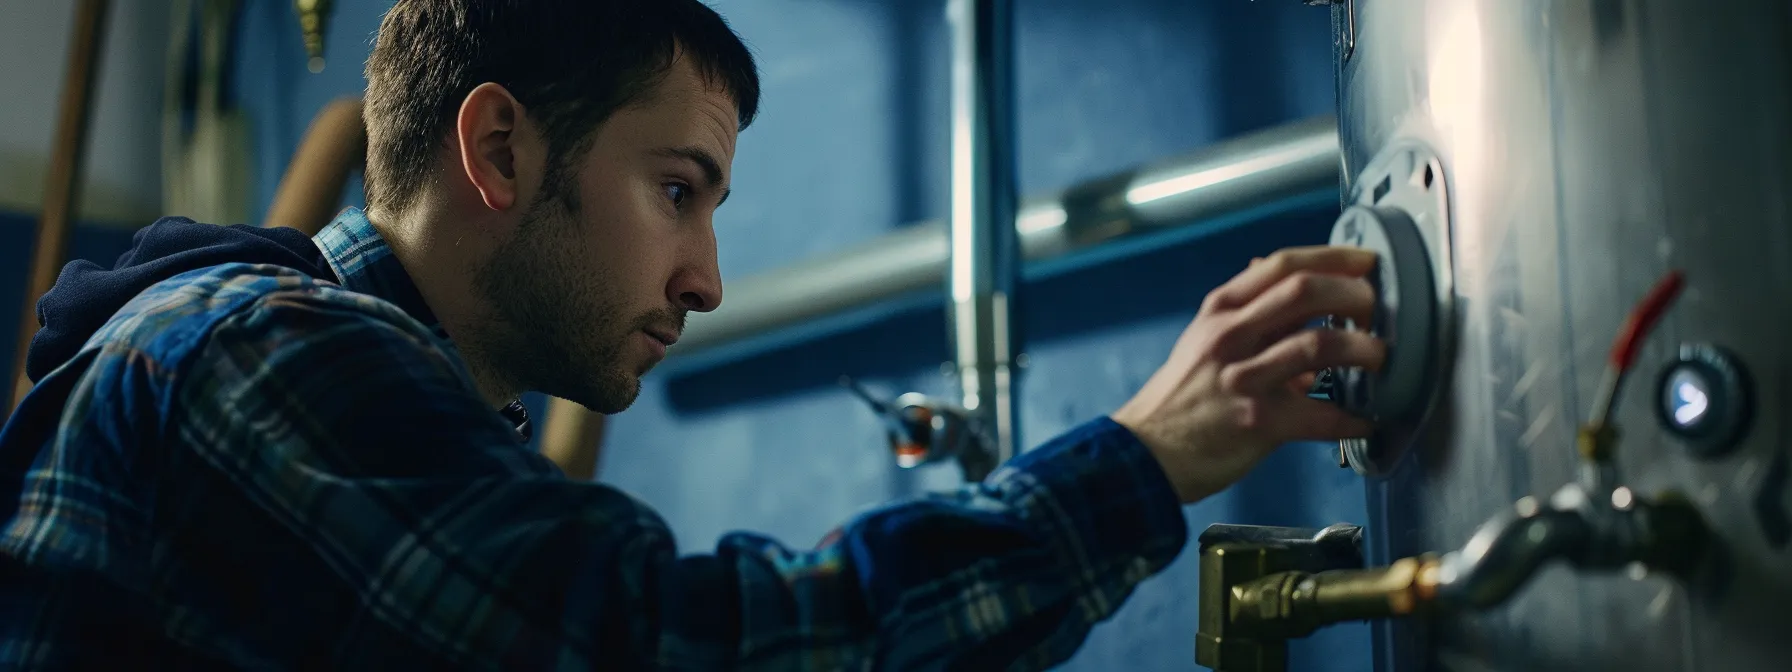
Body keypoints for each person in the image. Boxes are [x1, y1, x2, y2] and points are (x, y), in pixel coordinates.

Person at [0, 1, 1384, 669]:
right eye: (678, 192)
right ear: (497, 148)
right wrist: (1138, 460)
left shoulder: (343, 382)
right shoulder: (261, 356)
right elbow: (662, 646)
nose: (707, 278)